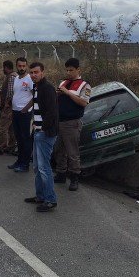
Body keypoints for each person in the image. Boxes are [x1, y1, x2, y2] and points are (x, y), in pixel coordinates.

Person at [24, 62, 58, 212]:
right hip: (38, 131)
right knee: (37, 167)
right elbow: (38, 109)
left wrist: (42, 128)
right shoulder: (36, 87)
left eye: (36, 72)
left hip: (45, 133)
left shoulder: (47, 88)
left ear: (42, 72)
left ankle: (50, 200)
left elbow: (52, 112)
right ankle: (40, 196)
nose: (33, 75)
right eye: (31, 72)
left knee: (44, 168)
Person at [54, 58, 92, 191]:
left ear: (78, 70)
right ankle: (61, 174)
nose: (69, 72)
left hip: (72, 122)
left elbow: (83, 102)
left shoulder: (85, 85)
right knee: (59, 150)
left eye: (71, 70)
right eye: (67, 70)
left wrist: (67, 93)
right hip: (60, 121)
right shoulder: (64, 82)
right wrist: (58, 93)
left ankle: (74, 177)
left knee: (72, 152)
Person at [8, 57, 33, 173]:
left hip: (25, 113)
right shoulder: (16, 78)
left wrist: (25, 109)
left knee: (25, 139)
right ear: (16, 66)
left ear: (26, 66)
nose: (22, 68)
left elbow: (35, 96)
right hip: (15, 111)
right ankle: (19, 161)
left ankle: (25, 164)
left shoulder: (29, 79)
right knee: (18, 138)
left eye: (24, 66)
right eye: (19, 66)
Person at [0, 60, 17, 155]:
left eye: (3, 68)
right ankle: (11, 146)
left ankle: (1, 146)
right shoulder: (14, 76)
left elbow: (10, 92)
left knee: (2, 127)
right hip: (12, 106)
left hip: (9, 106)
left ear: (6, 67)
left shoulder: (11, 77)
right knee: (11, 128)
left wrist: (6, 104)